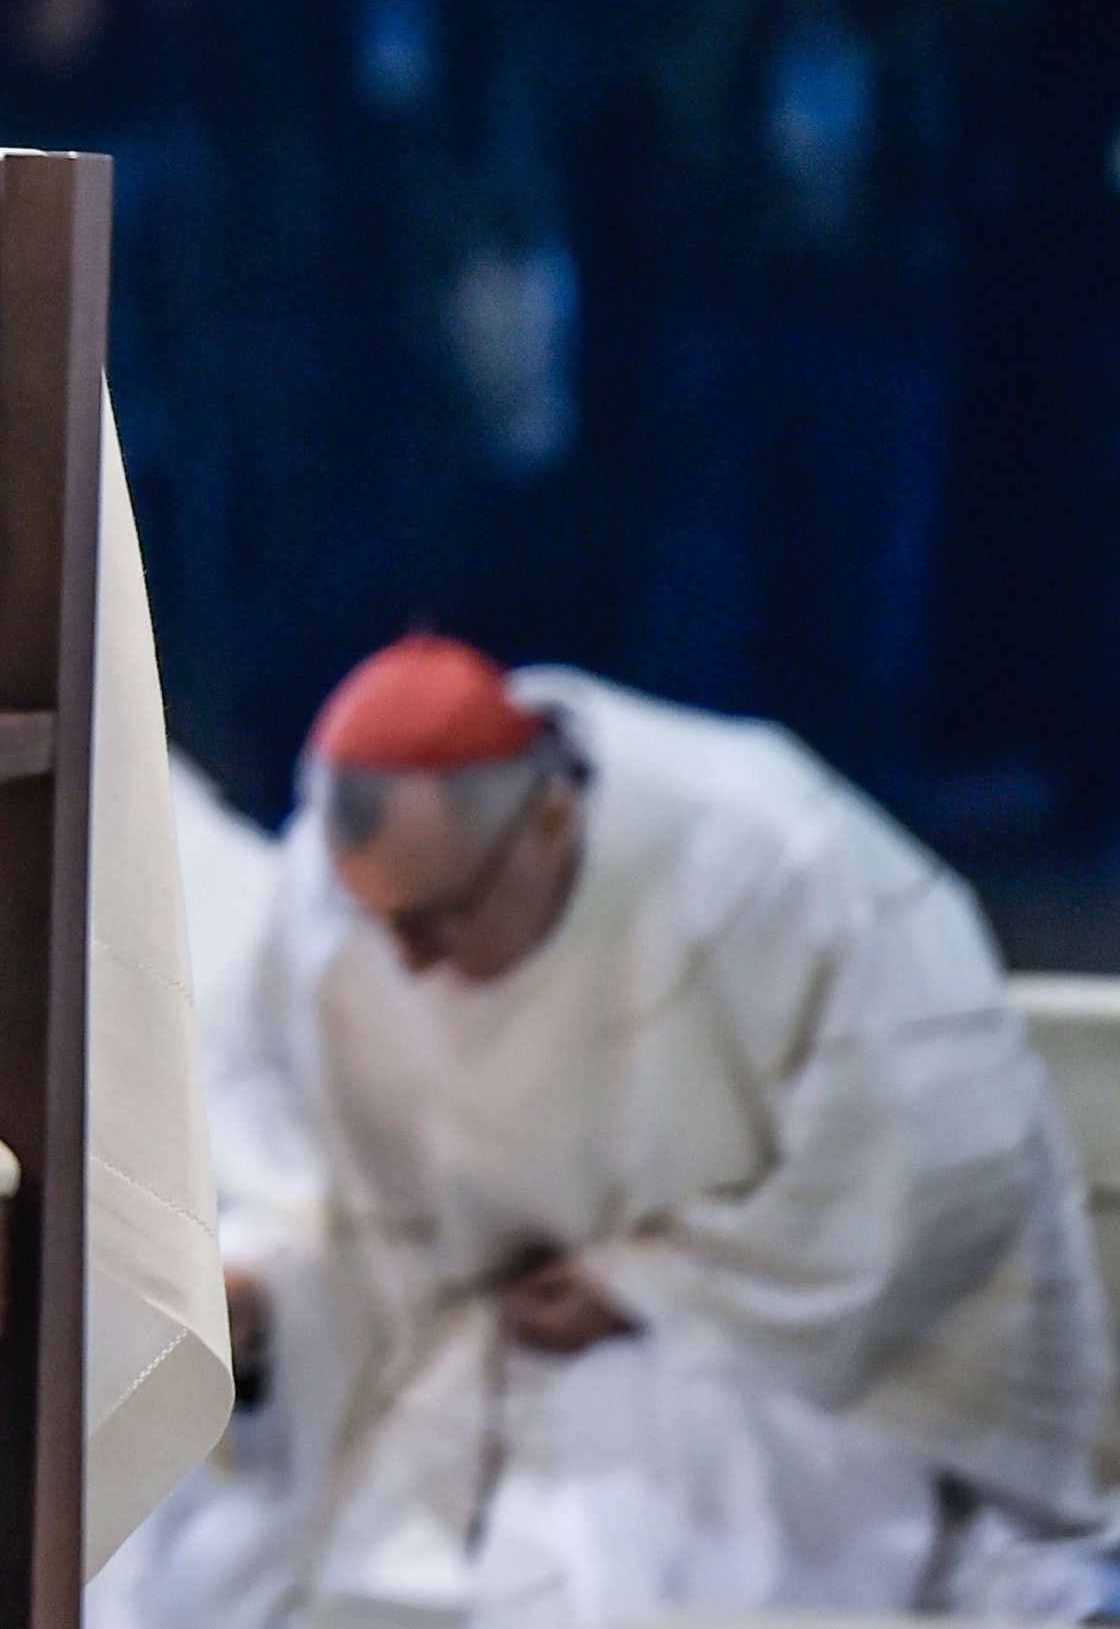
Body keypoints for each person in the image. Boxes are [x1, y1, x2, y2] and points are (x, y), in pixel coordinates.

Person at [194, 635, 1110, 1625]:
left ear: (548, 822)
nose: (405, 964)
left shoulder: (767, 853)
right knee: (309, 1580)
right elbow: (327, 1194)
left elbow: (935, 1165)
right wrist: (265, 1276)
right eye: (380, 923)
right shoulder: (335, 908)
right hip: (479, 1346)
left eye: (439, 919)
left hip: (782, 1363)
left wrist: (646, 1286)